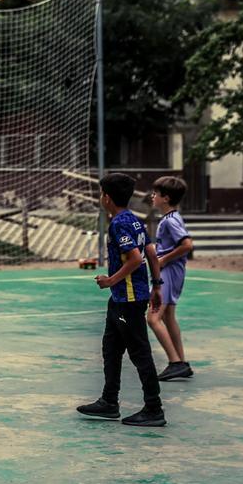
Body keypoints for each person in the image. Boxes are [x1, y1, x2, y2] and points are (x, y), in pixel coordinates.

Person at [76, 172, 167, 427]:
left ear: (106, 197)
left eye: (101, 193)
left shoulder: (119, 224)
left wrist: (110, 281)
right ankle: (109, 401)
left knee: (140, 353)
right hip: (122, 298)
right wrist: (157, 285)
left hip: (128, 298)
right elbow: (150, 250)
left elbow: (137, 258)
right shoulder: (133, 220)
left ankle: (154, 408)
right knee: (111, 349)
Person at [146, 176, 195, 381]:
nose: (152, 196)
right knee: (168, 317)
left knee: (153, 317)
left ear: (165, 198)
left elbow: (187, 245)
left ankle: (175, 362)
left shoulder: (171, 220)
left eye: (155, 194)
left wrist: (163, 259)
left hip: (169, 272)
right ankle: (181, 362)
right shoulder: (171, 218)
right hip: (173, 271)